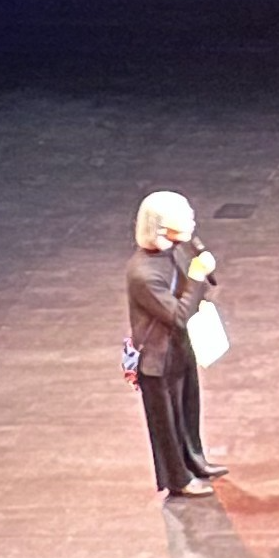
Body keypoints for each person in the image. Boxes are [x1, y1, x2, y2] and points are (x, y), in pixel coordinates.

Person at [124, 189, 224, 499]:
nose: (192, 221)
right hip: (158, 358)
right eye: (184, 217)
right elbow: (178, 316)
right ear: (162, 226)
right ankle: (178, 479)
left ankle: (194, 461)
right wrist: (196, 277)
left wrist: (199, 279)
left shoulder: (175, 251)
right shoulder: (143, 274)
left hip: (180, 348)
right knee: (166, 422)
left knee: (187, 409)